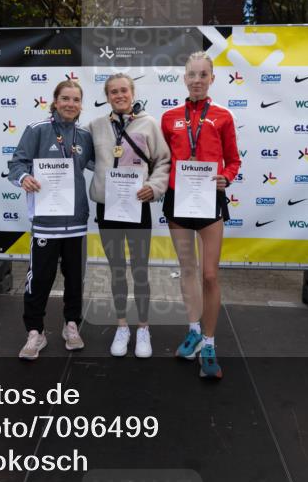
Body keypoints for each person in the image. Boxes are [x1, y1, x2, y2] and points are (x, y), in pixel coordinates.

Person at [160, 51, 241, 379]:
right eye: (191, 74)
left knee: (210, 275)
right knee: (187, 270)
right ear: (184, 78)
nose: (197, 80)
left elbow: (234, 160)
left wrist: (227, 178)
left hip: (209, 201)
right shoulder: (169, 117)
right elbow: (163, 160)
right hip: (179, 200)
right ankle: (193, 330)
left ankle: (209, 342)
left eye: (203, 75)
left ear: (211, 78)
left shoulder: (223, 116)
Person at [8, 80, 95, 360]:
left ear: (81, 104)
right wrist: (24, 177)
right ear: (55, 101)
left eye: (76, 99)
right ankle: (35, 332)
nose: (71, 104)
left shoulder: (84, 135)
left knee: (75, 279)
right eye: (65, 98)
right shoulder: (38, 130)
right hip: (46, 221)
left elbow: (102, 165)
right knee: (40, 279)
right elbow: (16, 164)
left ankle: (72, 325)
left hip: (76, 221)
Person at [87, 73, 170, 357]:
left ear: (132, 93)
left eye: (123, 90)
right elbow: (85, 158)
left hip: (137, 206)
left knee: (140, 269)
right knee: (117, 270)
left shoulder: (149, 124)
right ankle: (122, 326)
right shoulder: (96, 126)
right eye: (113, 91)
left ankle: (143, 328)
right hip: (107, 208)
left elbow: (163, 161)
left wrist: (154, 187)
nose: (119, 95)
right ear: (107, 96)